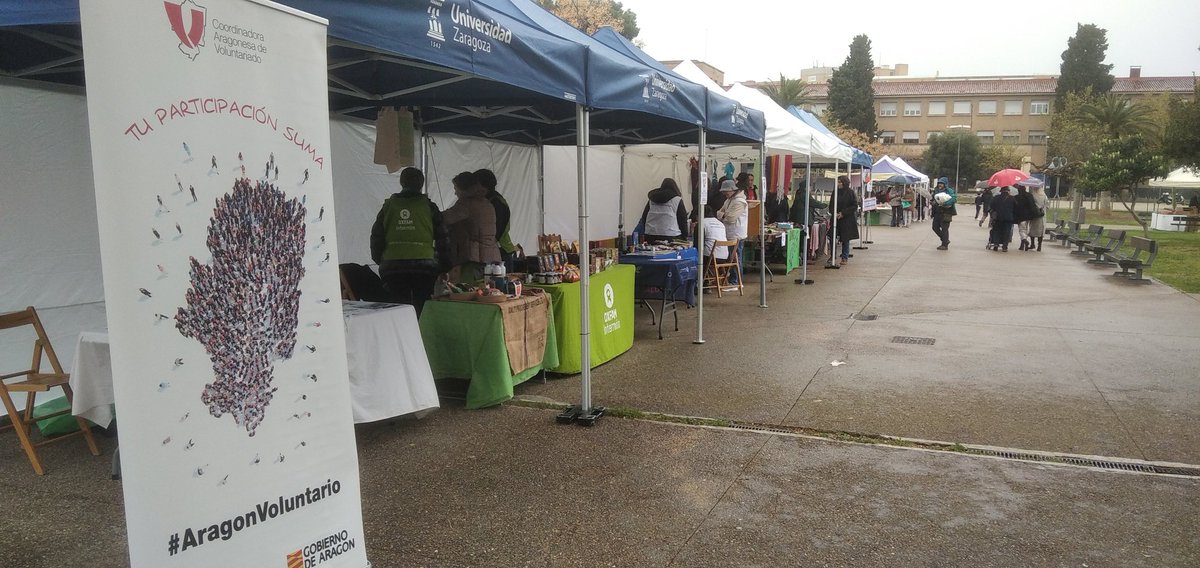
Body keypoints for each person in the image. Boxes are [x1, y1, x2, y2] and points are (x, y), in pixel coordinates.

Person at [370, 167, 450, 314]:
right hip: (425, 267)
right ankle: (420, 333)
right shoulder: (429, 207)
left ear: (401, 182)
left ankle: (401, 335)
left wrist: (379, 259)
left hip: (393, 267)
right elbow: (443, 237)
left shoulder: (388, 207)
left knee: (398, 308)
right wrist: (445, 266)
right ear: (421, 184)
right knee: (423, 305)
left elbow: (376, 236)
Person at [443, 171, 500, 280]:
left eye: (455, 189)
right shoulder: (486, 202)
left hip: (475, 257)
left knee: (470, 291)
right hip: (492, 255)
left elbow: (446, 218)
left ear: (463, 188)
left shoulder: (466, 203)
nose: (455, 193)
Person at [474, 168, 517, 269]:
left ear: (483, 185)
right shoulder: (487, 200)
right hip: (493, 250)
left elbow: (496, 230)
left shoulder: (496, 203)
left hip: (501, 251)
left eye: (475, 184)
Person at [715, 179, 748, 283]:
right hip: (729, 233)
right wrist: (724, 214)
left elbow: (731, 218)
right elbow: (719, 212)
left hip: (737, 235)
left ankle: (736, 281)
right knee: (732, 258)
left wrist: (723, 214)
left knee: (736, 259)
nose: (724, 194)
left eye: (726, 191)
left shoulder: (740, 202)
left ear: (732, 190)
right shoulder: (729, 200)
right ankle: (733, 280)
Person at [638, 177, 689, 242]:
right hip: (671, 236)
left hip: (650, 235)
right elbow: (683, 220)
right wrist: (684, 237)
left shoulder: (652, 200)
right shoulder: (677, 200)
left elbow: (644, 217)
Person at [828, 175, 859, 265]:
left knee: (845, 238)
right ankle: (832, 255)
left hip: (847, 219)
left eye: (841, 182)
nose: (839, 184)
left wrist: (843, 213)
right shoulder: (835, 192)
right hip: (836, 218)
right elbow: (831, 205)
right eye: (838, 182)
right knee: (832, 236)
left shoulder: (850, 192)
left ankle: (844, 257)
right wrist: (835, 213)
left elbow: (854, 206)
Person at [701, 205, 728, 286]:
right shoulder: (720, 223)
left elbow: (698, 244)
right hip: (724, 256)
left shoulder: (702, 223)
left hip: (711, 257)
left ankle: (704, 283)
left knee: (696, 258)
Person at [929, 177, 957, 250]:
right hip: (937, 213)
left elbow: (954, 199)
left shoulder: (949, 191)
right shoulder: (936, 190)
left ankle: (944, 245)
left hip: (946, 213)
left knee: (945, 229)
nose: (940, 185)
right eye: (939, 183)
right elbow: (933, 199)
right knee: (934, 227)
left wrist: (944, 203)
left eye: (942, 183)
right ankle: (945, 240)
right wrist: (932, 202)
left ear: (945, 184)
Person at [988, 186, 1016, 252]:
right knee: (1007, 232)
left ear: (1001, 191)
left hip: (998, 218)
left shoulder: (996, 198)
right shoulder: (1012, 198)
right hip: (1008, 218)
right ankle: (1004, 246)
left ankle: (996, 244)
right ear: (1008, 191)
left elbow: (992, 206)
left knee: (997, 231)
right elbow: (1016, 208)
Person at [1012, 185, 1037, 250]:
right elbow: (1032, 205)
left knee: (1022, 230)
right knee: (1026, 229)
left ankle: (1024, 240)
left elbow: (1014, 208)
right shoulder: (1030, 196)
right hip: (1028, 216)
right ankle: (1022, 245)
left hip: (1020, 216)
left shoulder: (1016, 197)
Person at [1027, 185, 1048, 251]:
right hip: (1042, 215)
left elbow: (1031, 204)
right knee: (1041, 231)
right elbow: (1047, 204)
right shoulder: (1044, 195)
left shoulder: (1033, 195)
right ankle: (1039, 246)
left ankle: (1032, 244)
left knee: (1032, 229)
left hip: (1035, 215)